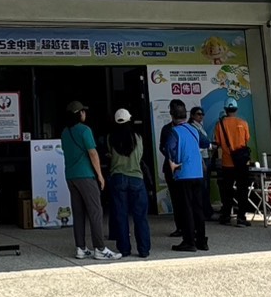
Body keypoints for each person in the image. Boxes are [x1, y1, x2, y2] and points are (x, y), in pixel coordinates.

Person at [61, 101, 117, 260]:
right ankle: (100, 248)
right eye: (83, 111)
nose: (85, 113)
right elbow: (92, 153)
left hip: (70, 175)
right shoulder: (85, 130)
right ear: (79, 114)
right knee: (95, 211)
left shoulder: (65, 132)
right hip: (85, 175)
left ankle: (80, 247)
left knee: (78, 213)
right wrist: (100, 174)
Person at [160, 99, 208, 252]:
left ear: (172, 115)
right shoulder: (193, 129)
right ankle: (202, 240)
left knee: (186, 208)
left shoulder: (174, 131)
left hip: (184, 174)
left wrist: (174, 164)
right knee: (198, 207)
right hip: (198, 173)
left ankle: (189, 241)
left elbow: (169, 150)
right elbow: (205, 143)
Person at [106, 108, 150, 258]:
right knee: (140, 216)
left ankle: (124, 249)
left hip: (118, 177)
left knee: (121, 215)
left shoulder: (110, 138)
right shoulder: (137, 137)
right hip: (136, 177)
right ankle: (144, 249)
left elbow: (110, 155)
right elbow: (140, 155)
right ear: (129, 120)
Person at [214, 100, 254, 227]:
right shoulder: (243, 123)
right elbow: (247, 139)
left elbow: (217, 142)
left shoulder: (220, 125)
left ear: (225, 110)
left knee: (227, 190)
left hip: (227, 163)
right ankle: (241, 217)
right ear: (236, 109)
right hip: (242, 162)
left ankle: (226, 215)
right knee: (243, 190)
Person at [188, 105, 215, 221]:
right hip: (201, 158)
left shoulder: (200, 127)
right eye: (198, 114)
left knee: (206, 186)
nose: (201, 116)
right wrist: (202, 162)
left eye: (202, 114)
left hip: (206, 157)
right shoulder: (193, 128)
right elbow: (197, 147)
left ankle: (206, 210)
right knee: (202, 187)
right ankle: (204, 212)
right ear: (192, 115)